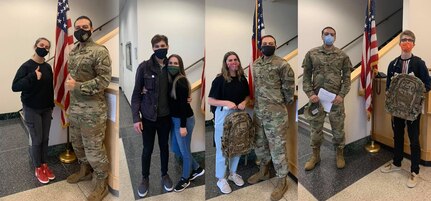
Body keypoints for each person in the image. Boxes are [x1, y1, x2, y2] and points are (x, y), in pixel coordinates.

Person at [64, 16, 112, 201]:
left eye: (85, 26)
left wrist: (77, 87)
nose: (81, 29)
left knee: (94, 149)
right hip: (75, 108)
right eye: (78, 27)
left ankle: (102, 183)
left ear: (91, 29)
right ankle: (84, 169)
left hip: (92, 111)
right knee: (77, 144)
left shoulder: (99, 51)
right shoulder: (74, 51)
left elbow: (103, 80)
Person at [381, 30, 431, 188]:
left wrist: (414, 90)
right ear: (399, 43)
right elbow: (389, 87)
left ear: (413, 44)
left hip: (413, 111)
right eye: (403, 40)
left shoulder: (419, 64)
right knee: (398, 135)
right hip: (397, 110)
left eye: (409, 40)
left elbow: (428, 85)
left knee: (414, 139)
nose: (406, 42)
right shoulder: (392, 64)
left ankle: (414, 170)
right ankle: (396, 163)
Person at [247, 35, 295, 201]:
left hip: (275, 115)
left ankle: (282, 181)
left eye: (271, 44)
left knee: (277, 149)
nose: (267, 46)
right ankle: (264, 171)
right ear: (260, 46)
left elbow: (289, 91)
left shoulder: (282, 64)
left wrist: (278, 103)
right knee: (259, 144)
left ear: (276, 45)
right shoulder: (256, 64)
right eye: (265, 44)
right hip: (259, 113)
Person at [302, 26, 352, 171]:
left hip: (335, 101)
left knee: (338, 129)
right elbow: (306, 77)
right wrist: (310, 94)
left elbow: (347, 79)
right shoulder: (312, 54)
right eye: (326, 34)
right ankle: (315, 156)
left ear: (335, 37)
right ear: (322, 36)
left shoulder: (342, 55)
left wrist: (341, 95)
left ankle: (339, 154)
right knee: (315, 129)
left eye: (332, 34)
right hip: (317, 100)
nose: (329, 36)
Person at [131, 34, 173, 197]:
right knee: (147, 149)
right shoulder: (144, 67)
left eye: (162, 45)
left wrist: (187, 95)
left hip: (166, 117)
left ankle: (164, 174)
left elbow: (180, 85)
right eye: (156, 47)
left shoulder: (173, 66)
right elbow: (136, 94)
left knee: (164, 147)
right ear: (152, 49)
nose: (160, 49)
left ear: (167, 46)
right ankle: (144, 178)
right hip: (148, 117)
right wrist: (136, 118)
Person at [12, 37, 55, 184]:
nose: (44, 48)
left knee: (45, 139)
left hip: (46, 109)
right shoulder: (27, 66)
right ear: (35, 46)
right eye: (41, 45)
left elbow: (49, 89)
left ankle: (44, 164)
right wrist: (32, 76)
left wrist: (51, 106)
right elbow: (15, 86)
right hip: (32, 109)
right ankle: (38, 167)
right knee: (37, 140)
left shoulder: (48, 67)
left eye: (47, 46)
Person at [208, 51, 250, 194]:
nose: (233, 62)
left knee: (237, 145)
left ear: (238, 62)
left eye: (235, 59)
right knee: (223, 148)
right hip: (223, 114)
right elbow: (210, 100)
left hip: (239, 115)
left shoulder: (242, 79)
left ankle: (233, 173)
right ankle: (221, 178)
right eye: (230, 60)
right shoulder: (219, 80)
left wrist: (245, 102)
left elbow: (247, 96)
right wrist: (227, 102)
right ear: (226, 63)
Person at [166, 54, 205, 192]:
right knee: (177, 149)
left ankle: (185, 178)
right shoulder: (169, 80)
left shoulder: (181, 81)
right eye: (170, 62)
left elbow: (183, 106)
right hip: (175, 120)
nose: (172, 65)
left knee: (184, 151)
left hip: (184, 121)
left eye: (176, 63)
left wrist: (182, 126)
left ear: (180, 65)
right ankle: (197, 168)